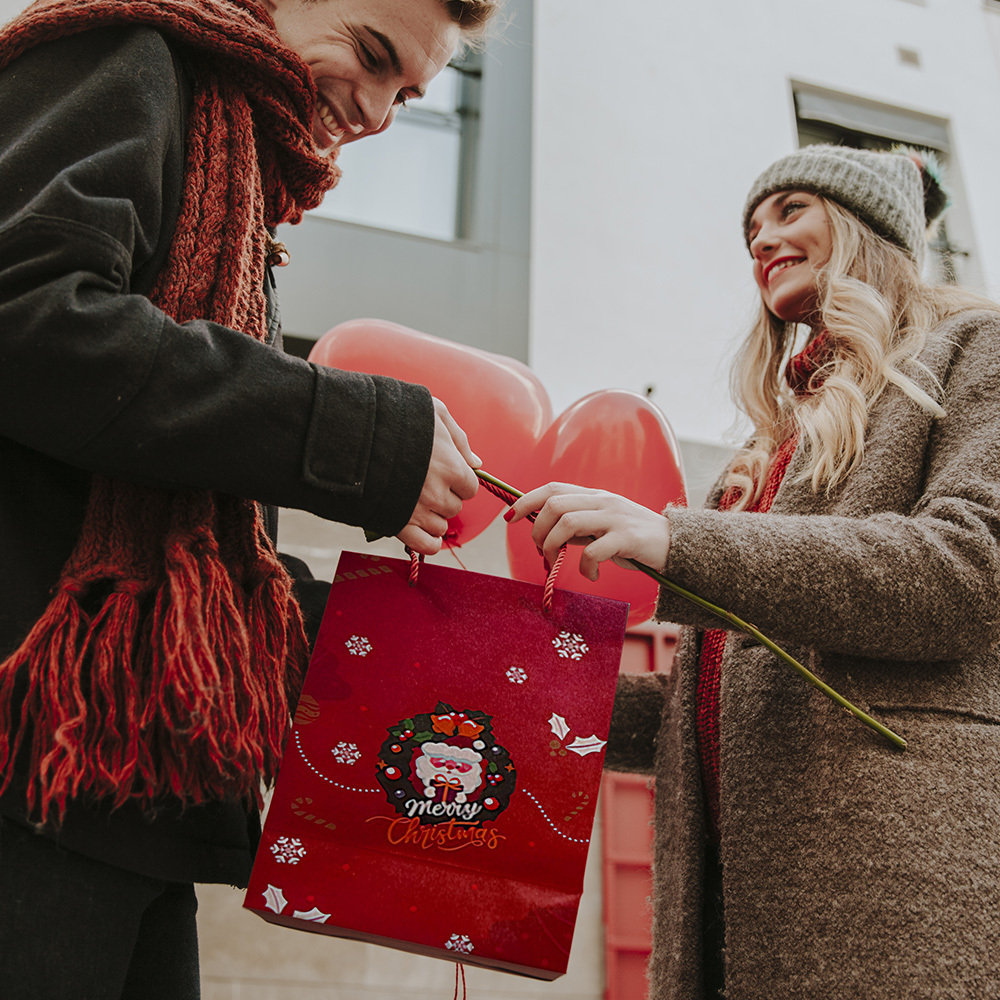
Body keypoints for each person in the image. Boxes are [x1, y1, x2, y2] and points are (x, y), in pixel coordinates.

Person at [0, 0, 499, 995]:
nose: (380, 115)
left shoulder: (236, 184)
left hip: (118, 793)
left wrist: (476, 656)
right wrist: (354, 434)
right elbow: (25, 318)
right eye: (370, 55)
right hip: (34, 774)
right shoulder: (131, 54)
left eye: (410, 92)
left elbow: (200, 548)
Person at [508, 145, 1000, 999]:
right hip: (736, 903)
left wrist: (675, 540)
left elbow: (965, 572)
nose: (761, 240)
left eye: (790, 210)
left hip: (896, 891)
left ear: (862, 226)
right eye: (751, 228)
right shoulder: (762, 451)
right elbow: (711, 712)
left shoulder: (976, 348)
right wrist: (523, 687)